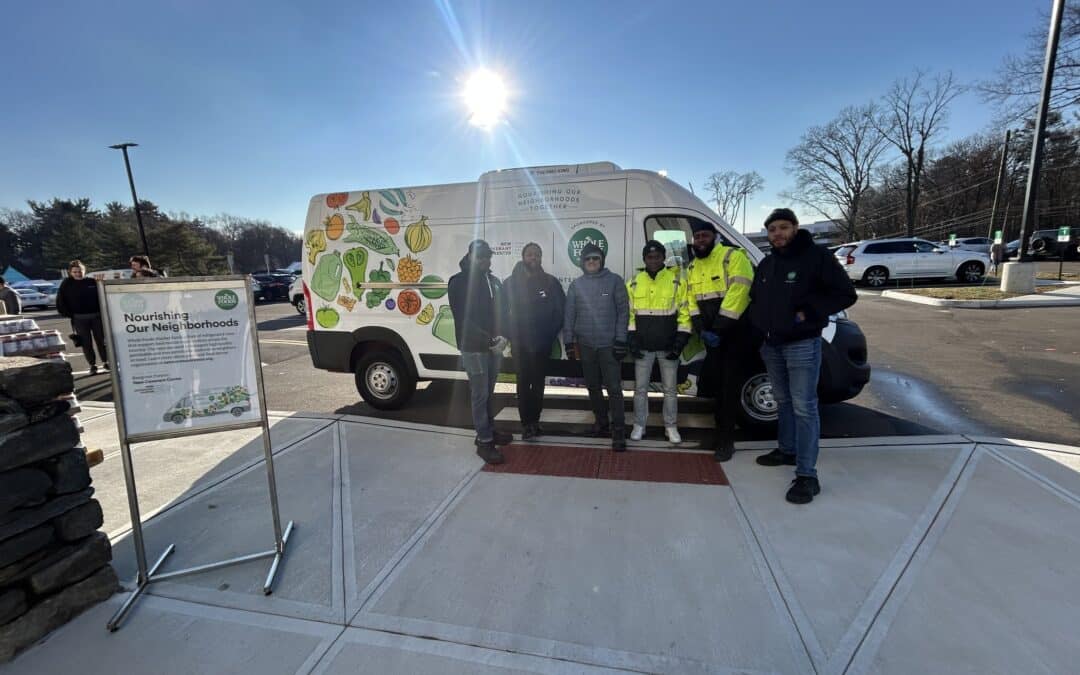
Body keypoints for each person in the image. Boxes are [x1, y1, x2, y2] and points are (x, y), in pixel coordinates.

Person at [749, 208, 856, 505]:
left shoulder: (816, 258)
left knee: (804, 407)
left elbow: (846, 294)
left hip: (802, 344)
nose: (777, 234)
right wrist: (759, 332)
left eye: (783, 227)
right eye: (772, 229)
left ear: (795, 228)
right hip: (771, 346)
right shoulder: (768, 263)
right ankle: (787, 449)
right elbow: (756, 300)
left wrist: (809, 312)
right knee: (783, 401)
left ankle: (807, 475)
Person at [685, 220, 754, 462]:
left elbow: (740, 292)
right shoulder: (693, 266)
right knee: (715, 387)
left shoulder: (732, 256)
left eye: (704, 236)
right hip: (712, 337)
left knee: (729, 388)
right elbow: (691, 299)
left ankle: (726, 441)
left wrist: (719, 328)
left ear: (714, 237)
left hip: (734, 334)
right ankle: (719, 432)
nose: (700, 240)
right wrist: (701, 329)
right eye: (697, 237)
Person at [448, 240, 512, 464]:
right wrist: (489, 340)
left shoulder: (493, 280)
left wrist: (504, 335)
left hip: (494, 345)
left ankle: (488, 430)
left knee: (488, 392)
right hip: (474, 348)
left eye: (488, 256)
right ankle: (484, 441)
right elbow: (463, 318)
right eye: (481, 256)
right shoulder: (458, 282)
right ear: (470, 256)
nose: (486, 260)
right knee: (479, 394)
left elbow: (503, 311)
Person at [564, 243, 630, 451]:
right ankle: (601, 422)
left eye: (595, 258)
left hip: (609, 345)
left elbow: (623, 313)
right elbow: (569, 315)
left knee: (614, 389)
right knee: (592, 386)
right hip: (585, 345)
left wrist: (620, 340)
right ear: (582, 263)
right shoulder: (576, 285)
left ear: (601, 261)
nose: (591, 262)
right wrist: (568, 342)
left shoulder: (615, 281)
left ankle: (618, 430)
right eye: (587, 259)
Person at [627, 240, 691, 444]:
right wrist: (632, 340)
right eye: (649, 257)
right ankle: (639, 425)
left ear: (664, 258)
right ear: (644, 259)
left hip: (668, 346)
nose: (653, 260)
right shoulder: (634, 282)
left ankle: (671, 427)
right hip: (643, 348)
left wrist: (680, 341)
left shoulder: (676, 281)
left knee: (671, 390)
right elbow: (629, 314)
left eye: (657, 256)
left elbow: (685, 312)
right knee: (640, 389)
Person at [504, 243, 565, 441]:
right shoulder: (510, 283)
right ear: (523, 257)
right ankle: (526, 424)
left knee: (538, 385)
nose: (534, 258)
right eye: (530, 254)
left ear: (541, 258)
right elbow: (501, 313)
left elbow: (560, 311)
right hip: (520, 344)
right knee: (523, 384)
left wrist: (549, 335)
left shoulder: (550, 282)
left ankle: (535, 422)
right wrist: (511, 335)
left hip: (541, 344)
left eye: (537, 255)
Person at [57, 260, 110, 375]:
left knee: (102, 341)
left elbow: (104, 295)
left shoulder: (92, 281)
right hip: (79, 319)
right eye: (75, 272)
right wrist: (69, 314)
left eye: (80, 271)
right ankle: (92, 365)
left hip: (97, 317)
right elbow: (61, 301)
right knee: (86, 343)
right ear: (70, 272)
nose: (78, 273)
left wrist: (102, 283)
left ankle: (106, 362)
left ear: (84, 270)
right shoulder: (66, 284)